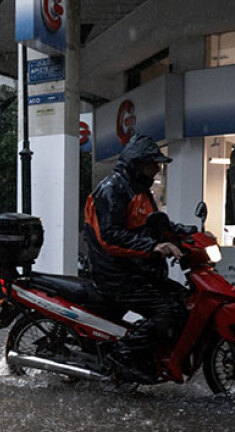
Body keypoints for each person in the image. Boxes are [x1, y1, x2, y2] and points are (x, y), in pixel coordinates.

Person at [83, 134, 197, 383]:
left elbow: (156, 225)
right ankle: (123, 356)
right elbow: (111, 238)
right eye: (151, 163)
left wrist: (192, 234)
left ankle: (157, 356)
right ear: (136, 163)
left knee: (183, 300)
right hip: (116, 275)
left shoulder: (139, 189)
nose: (156, 168)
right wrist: (154, 247)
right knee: (167, 310)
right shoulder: (112, 189)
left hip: (137, 271)